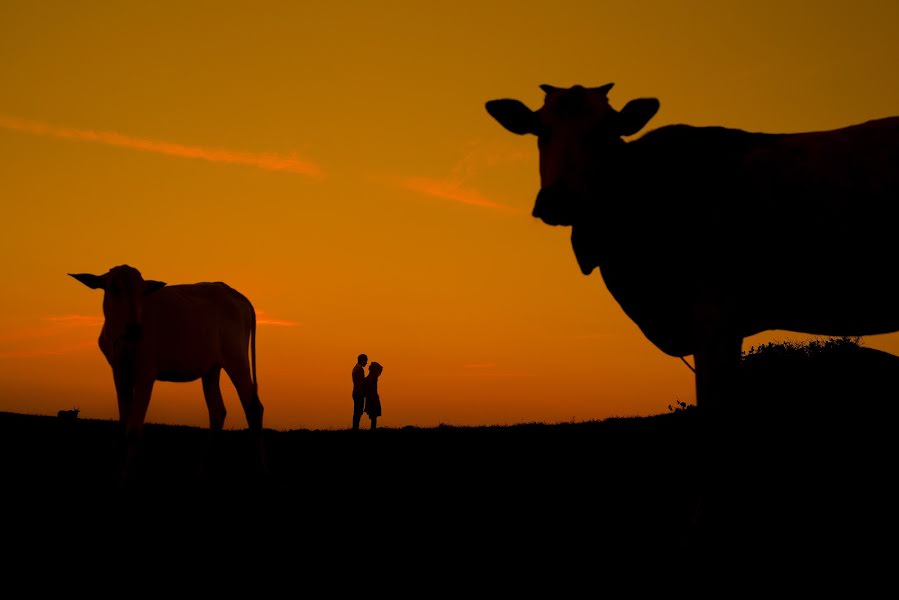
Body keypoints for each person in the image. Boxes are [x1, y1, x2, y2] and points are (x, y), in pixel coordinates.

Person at [364, 361, 383, 430]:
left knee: (373, 415)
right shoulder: (372, 377)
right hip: (372, 397)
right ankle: (373, 428)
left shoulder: (372, 377)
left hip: (372, 397)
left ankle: (373, 428)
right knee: (373, 415)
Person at [351, 353, 368, 430]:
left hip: (356, 392)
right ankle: (355, 428)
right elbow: (361, 382)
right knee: (358, 411)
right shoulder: (359, 369)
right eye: (365, 361)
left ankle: (355, 427)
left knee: (357, 411)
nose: (366, 363)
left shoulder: (356, 368)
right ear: (362, 360)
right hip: (359, 393)